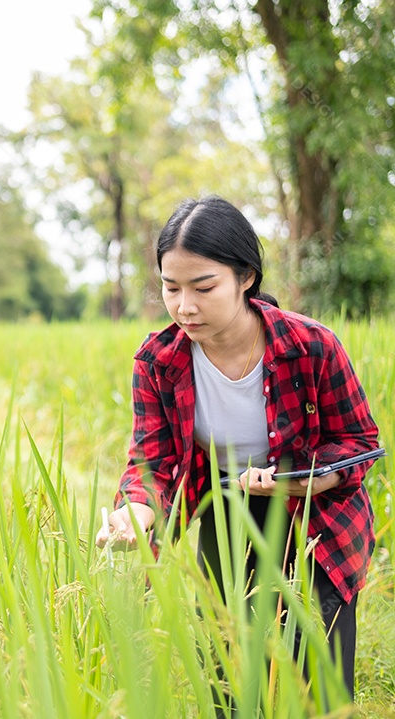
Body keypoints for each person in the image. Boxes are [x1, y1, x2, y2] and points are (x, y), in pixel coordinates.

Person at [94, 196, 381, 704]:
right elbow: (153, 461)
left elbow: (359, 440)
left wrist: (319, 477)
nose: (185, 305)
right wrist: (136, 509)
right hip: (226, 517)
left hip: (315, 517)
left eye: (204, 287)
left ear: (245, 277)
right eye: (171, 287)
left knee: (322, 689)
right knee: (229, 681)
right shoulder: (158, 360)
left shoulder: (312, 345)